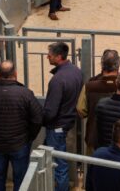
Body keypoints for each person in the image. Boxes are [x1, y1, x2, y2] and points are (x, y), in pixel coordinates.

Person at [0, 60, 42, 191]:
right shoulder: (25, 93)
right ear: (15, 74)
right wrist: (29, 137)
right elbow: (37, 119)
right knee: (21, 180)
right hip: (19, 144)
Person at [43, 42, 84, 191]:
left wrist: (39, 119)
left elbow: (50, 111)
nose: (47, 57)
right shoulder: (77, 72)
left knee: (59, 166)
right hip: (68, 122)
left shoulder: (58, 80)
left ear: (59, 57)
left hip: (56, 126)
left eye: (50, 55)